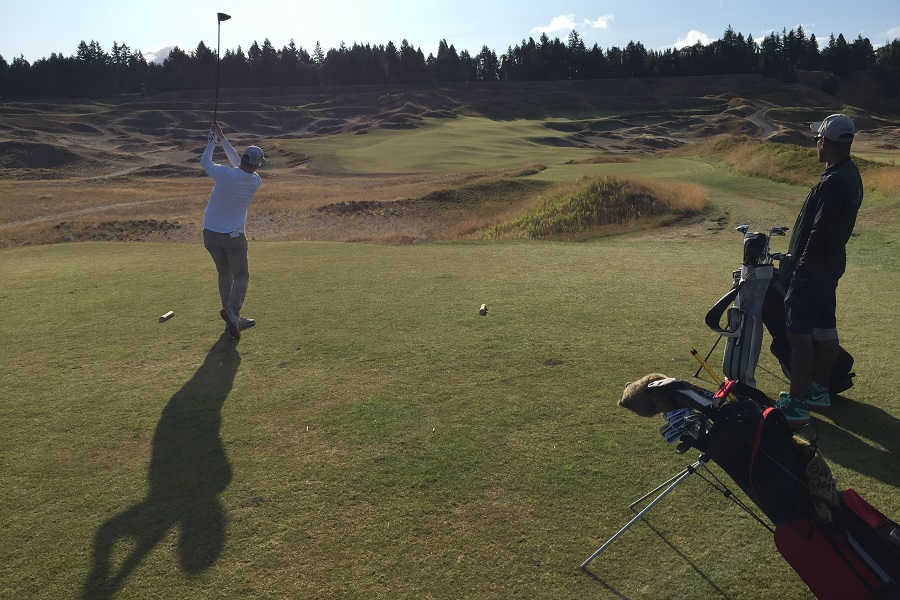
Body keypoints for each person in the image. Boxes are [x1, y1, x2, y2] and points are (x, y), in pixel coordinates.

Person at [775, 114, 863, 427]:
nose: (816, 143)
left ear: (825, 141)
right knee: (825, 331)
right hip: (828, 269)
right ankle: (818, 389)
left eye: (818, 138)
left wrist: (800, 268)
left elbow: (820, 231)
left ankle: (797, 405)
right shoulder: (849, 174)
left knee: (798, 337)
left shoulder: (835, 182)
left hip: (812, 271)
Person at [200, 121, 266, 340]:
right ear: (257, 166)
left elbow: (205, 162)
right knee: (241, 275)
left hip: (210, 234)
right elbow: (240, 165)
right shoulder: (255, 181)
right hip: (233, 237)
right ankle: (233, 312)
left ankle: (231, 317)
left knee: (223, 273)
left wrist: (213, 141)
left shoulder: (224, 175)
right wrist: (222, 138)